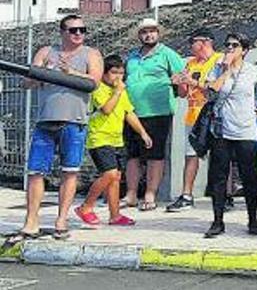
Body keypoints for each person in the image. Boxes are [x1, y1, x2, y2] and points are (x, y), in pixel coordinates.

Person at [7, 15, 103, 244]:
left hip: (75, 121)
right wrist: (42, 73)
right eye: (73, 30)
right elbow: (27, 82)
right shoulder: (46, 52)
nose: (78, 34)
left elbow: (94, 82)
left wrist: (70, 74)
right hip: (46, 121)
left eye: (82, 30)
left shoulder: (91, 54)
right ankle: (31, 221)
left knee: (70, 171)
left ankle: (61, 220)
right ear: (62, 32)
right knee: (36, 172)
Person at [202, 32, 257, 238]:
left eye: (235, 45)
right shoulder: (217, 68)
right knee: (219, 177)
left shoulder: (254, 71)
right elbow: (210, 91)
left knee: (249, 176)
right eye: (228, 45)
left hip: (246, 129)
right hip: (222, 129)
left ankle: (252, 219)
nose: (230, 48)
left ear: (245, 50)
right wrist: (225, 69)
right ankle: (217, 220)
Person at [77, 54, 151, 228]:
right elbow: (107, 109)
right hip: (99, 138)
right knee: (109, 174)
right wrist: (117, 91)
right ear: (104, 73)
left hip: (117, 139)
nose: (118, 77)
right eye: (113, 72)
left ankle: (115, 215)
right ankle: (86, 206)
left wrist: (143, 133)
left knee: (116, 178)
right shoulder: (98, 88)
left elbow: (129, 113)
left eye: (121, 73)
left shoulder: (122, 92)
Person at [123, 17, 186, 211]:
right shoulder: (132, 56)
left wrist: (178, 85)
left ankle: (150, 194)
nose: (148, 34)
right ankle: (131, 194)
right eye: (144, 31)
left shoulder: (168, 54)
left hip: (157, 111)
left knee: (154, 154)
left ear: (158, 33)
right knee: (132, 154)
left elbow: (182, 78)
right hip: (132, 111)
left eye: (152, 31)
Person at [167, 28, 223, 213]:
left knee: (221, 155)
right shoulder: (190, 63)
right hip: (193, 115)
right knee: (191, 155)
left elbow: (216, 88)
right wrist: (179, 83)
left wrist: (193, 82)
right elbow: (183, 94)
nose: (190, 45)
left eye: (193, 41)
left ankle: (224, 194)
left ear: (205, 42)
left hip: (214, 113)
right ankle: (186, 195)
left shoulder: (219, 60)